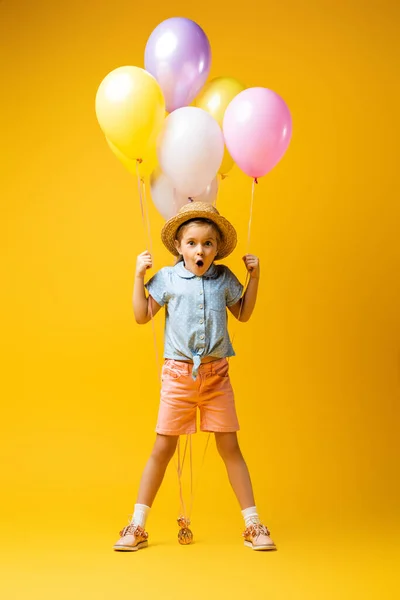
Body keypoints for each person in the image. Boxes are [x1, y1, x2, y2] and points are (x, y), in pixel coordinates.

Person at [113, 201, 276, 552]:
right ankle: (136, 526)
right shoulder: (168, 279)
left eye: (207, 243)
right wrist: (138, 276)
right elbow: (143, 317)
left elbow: (243, 313)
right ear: (178, 247)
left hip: (217, 376)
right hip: (178, 376)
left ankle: (253, 525)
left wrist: (255, 278)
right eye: (191, 243)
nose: (199, 249)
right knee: (162, 447)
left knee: (230, 447)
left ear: (217, 249)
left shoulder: (225, 279)